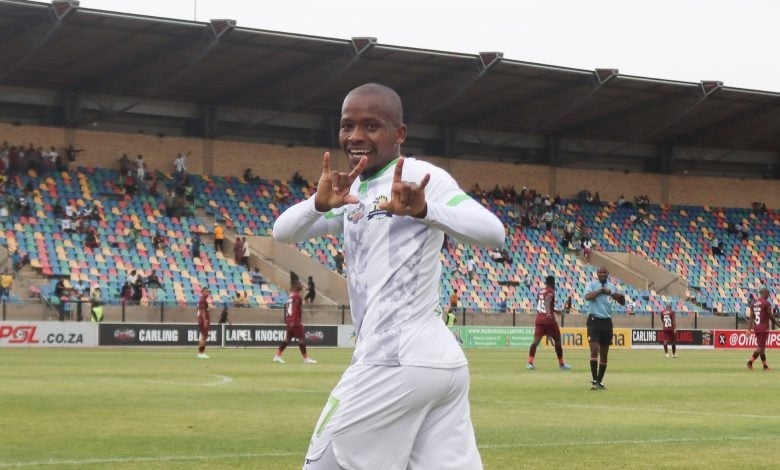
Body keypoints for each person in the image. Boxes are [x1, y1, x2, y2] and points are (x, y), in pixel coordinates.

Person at [273, 83, 504, 469]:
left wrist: (425, 210)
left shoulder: (419, 176)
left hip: (393, 361)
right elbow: (283, 232)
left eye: (371, 126)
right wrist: (317, 203)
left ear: (399, 134)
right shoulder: (352, 192)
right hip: (437, 366)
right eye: (348, 126)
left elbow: (493, 232)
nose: (356, 136)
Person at [584, 266, 625, 390]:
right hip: (594, 320)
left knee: (604, 353)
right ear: (597, 273)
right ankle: (595, 379)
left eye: (604, 272)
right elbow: (587, 297)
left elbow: (622, 302)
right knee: (594, 349)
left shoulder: (612, 287)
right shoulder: (591, 285)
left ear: (608, 274)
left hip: (607, 321)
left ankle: (598, 382)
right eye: (600, 272)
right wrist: (601, 291)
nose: (602, 274)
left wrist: (616, 295)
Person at [527, 275, 572, 371]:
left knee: (535, 342)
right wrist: (548, 313)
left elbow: (542, 304)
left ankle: (530, 363)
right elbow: (547, 301)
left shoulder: (540, 292)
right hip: (549, 321)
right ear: (553, 282)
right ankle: (561, 364)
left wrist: (554, 311)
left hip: (539, 320)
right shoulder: (551, 291)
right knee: (558, 341)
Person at [273, 279, 317, 365]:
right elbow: (294, 309)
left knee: (287, 339)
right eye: (299, 283)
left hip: (289, 320)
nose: (301, 285)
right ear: (296, 286)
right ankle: (306, 359)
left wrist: (288, 321)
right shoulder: (297, 296)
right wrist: (295, 321)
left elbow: (288, 309)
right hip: (295, 321)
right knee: (301, 339)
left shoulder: (290, 296)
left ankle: (277, 356)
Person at [746, 287, 779, 370]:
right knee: (760, 348)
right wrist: (778, 325)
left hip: (756, 328)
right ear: (764, 293)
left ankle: (765, 366)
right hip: (763, 328)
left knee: (762, 348)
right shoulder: (766, 303)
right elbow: (770, 316)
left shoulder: (754, 303)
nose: (768, 296)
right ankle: (750, 362)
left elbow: (751, 318)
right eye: (768, 294)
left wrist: (749, 329)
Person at [196, 287, 211, 359]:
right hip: (203, 321)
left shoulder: (204, 300)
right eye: (205, 292)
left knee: (204, 336)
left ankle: (201, 353)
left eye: (208, 292)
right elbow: (202, 311)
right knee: (204, 336)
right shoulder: (202, 300)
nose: (207, 293)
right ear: (202, 292)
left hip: (203, 320)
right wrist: (205, 321)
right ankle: (200, 353)